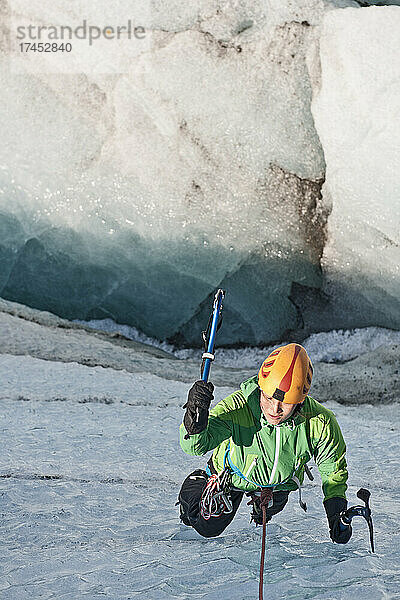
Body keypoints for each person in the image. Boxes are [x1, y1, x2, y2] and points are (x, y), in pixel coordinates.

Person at [177, 343, 352, 544]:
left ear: (300, 401)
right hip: (233, 476)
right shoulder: (238, 407)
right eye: (268, 398)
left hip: (279, 483)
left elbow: (332, 472)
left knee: (268, 513)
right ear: (261, 387)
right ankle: (195, 486)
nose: (274, 409)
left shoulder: (320, 422)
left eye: (285, 404)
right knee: (208, 527)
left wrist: (336, 514)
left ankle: (263, 499)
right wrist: (194, 419)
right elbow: (193, 447)